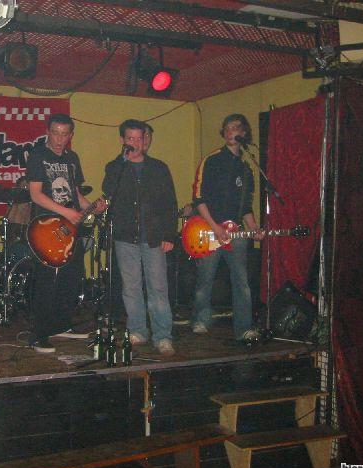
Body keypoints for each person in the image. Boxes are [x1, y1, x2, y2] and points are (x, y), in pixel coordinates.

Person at [26, 113, 106, 353]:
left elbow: (75, 193)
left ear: (71, 135)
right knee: (46, 281)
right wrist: (66, 212)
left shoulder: (72, 158)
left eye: (64, 134)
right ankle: (39, 334)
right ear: (48, 132)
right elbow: (35, 194)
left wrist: (92, 206)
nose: (60, 139)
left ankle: (60, 325)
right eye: (56, 133)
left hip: (70, 229)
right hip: (47, 227)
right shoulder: (38, 155)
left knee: (71, 277)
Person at [102, 119, 178, 356]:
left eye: (139, 138)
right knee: (131, 287)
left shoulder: (159, 168)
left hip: (154, 237)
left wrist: (169, 234)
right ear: (123, 140)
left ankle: (163, 336)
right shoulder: (115, 167)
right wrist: (121, 161)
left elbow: (170, 203)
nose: (135, 143)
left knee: (158, 288)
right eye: (130, 138)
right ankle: (137, 330)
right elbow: (108, 190)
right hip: (125, 237)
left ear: (145, 140)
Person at [191, 113, 264, 344]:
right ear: (224, 133)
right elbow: (198, 198)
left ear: (244, 133)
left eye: (238, 127)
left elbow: (246, 206)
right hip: (209, 229)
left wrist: (253, 227)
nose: (233, 131)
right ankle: (201, 319)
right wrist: (214, 227)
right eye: (229, 127)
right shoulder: (211, 160)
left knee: (242, 282)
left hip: (236, 232)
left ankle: (244, 328)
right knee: (206, 279)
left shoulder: (246, 168)